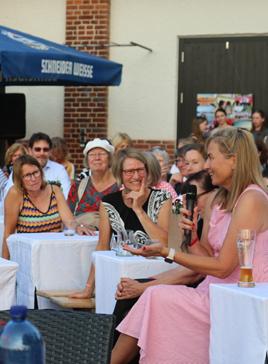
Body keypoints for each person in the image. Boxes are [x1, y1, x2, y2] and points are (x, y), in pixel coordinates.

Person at [112, 128, 268, 364]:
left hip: (239, 299)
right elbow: (206, 259)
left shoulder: (252, 199)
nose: (206, 165)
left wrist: (168, 252)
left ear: (234, 160)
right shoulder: (220, 199)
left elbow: (223, 267)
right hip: (213, 289)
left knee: (154, 296)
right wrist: (192, 236)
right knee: (150, 297)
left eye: (211, 157)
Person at [112, 171, 216, 354]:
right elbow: (187, 264)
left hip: (202, 285)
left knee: (134, 298)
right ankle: (107, 355)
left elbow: (196, 270)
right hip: (191, 276)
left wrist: (145, 285)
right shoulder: (195, 220)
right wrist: (147, 280)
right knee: (126, 295)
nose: (190, 203)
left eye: (194, 197)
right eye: (186, 197)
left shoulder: (210, 219)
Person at [69, 148, 172, 299]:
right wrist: (89, 289)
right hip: (122, 275)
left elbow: (164, 243)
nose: (136, 176)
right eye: (129, 171)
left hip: (156, 274)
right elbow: (102, 247)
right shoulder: (109, 203)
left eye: (140, 170)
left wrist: (139, 211)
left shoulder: (162, 198)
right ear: (119, 175)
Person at [2, 155, 95, 259]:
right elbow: (8, 234)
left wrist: (78, 227)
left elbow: (69, 221)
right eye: (27, 175)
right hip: (29, 255)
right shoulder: (15, 194)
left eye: (36, 172)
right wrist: (5, 265)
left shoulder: (54, 190)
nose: (34, 179)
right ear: (20, 179)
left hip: (56, 252)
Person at [67, 138, 118, 228]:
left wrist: (96, 228)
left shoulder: (120, 186)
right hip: (80, 239)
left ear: (110, 159)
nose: (97, 158)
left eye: (102, 154)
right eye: (92, 155)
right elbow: (67, 216)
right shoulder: (78, 187)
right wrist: (79, 227)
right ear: (87, 161)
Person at [3, 132, 71, 200]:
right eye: (37, 149)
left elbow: (66, 198)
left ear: (50, 151)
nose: (42, 153)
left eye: (45, 149)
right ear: (30, 150)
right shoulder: (18, 170)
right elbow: (7, 200)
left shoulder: (59, 170)